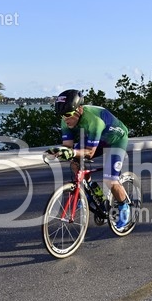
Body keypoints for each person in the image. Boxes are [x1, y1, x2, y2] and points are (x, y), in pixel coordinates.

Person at [53, 89, 132, 228]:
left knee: (110, 180)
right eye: (62, 115)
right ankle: (92, 191)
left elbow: (89, 152)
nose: (65, 119)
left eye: (68, 114)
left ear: (79, 110)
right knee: (75, 163)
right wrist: (58, 152)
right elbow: (68, 147)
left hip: (116, 140)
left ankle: (124, 206)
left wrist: (72, 152)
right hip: (97, 138)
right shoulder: (66, 120)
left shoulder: (94, 120)